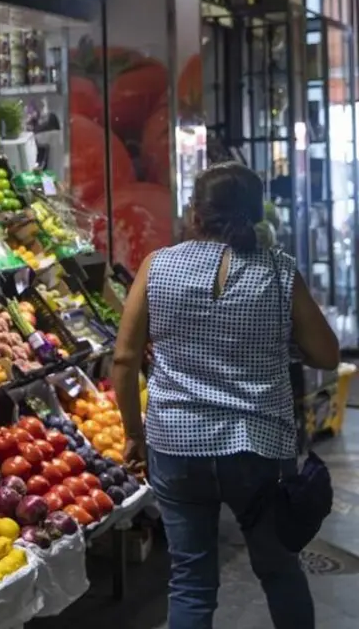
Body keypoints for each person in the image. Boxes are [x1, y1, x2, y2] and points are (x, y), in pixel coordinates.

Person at [111, 162, 339, 629]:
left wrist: (134, 434)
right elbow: (326, 353)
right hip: (254, 446)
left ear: (195, 212)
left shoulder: (158, 267)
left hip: (175, 444)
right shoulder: (278, 272)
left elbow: (123, 359)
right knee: (278, 570)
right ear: (255, 215)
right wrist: (275, 338)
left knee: (191, 581)